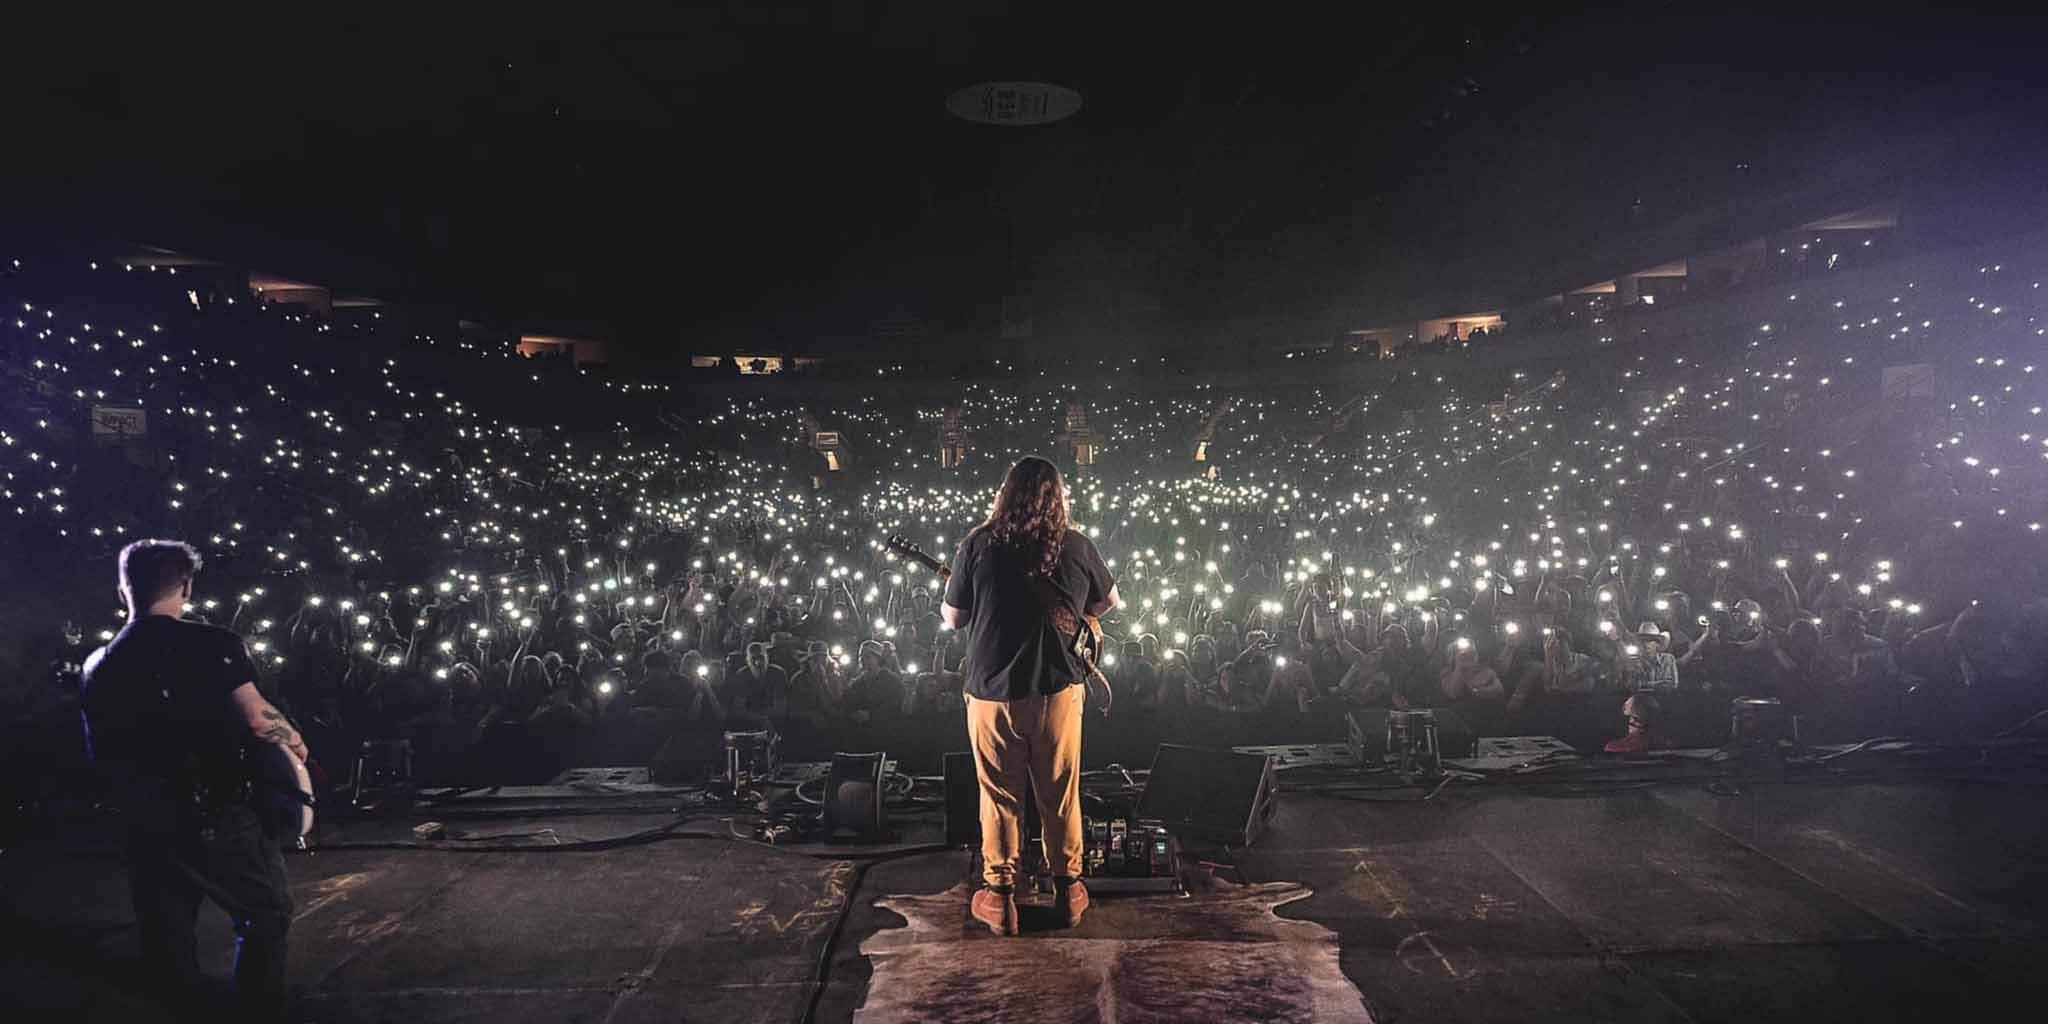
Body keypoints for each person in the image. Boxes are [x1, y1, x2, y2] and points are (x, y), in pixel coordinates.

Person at [80, 540, 297, 1019]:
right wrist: (297, 746)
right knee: (265, 914)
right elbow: (260, 721)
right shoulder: (212, 642)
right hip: (212, 809)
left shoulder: (97, 662)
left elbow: (101, 751)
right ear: (186, 587)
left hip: (141, 817)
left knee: (167, 935)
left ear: (124, 590)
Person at [943, 456, 1119, 936]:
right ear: (1058, 497)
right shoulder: (1077, 545)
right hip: (1058, 692)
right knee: (1060, 794)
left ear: (1005, 493)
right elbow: (1107, 604)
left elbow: (954, 618)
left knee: (999, 796)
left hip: (992, 693)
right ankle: (1070, 893)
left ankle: (1000, 899)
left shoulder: (978, 544)